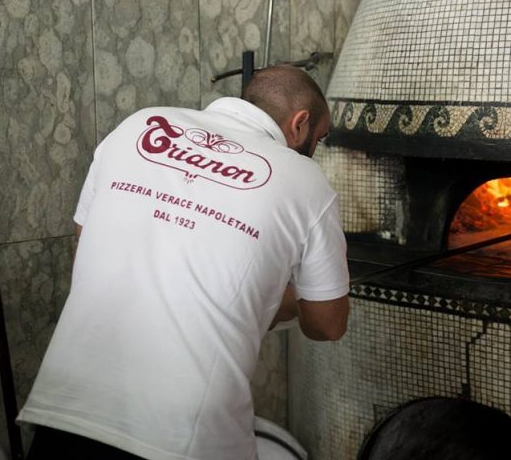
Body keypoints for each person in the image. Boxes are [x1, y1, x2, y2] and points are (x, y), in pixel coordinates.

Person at [17, 65, 350, 460]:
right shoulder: (305, 179)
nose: (316, 149)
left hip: (66, 409)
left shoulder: (139, 125)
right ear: (300, 124)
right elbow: (328, 323)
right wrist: (280, 300)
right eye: (321, 138)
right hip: (182, 437)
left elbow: (85, 239)